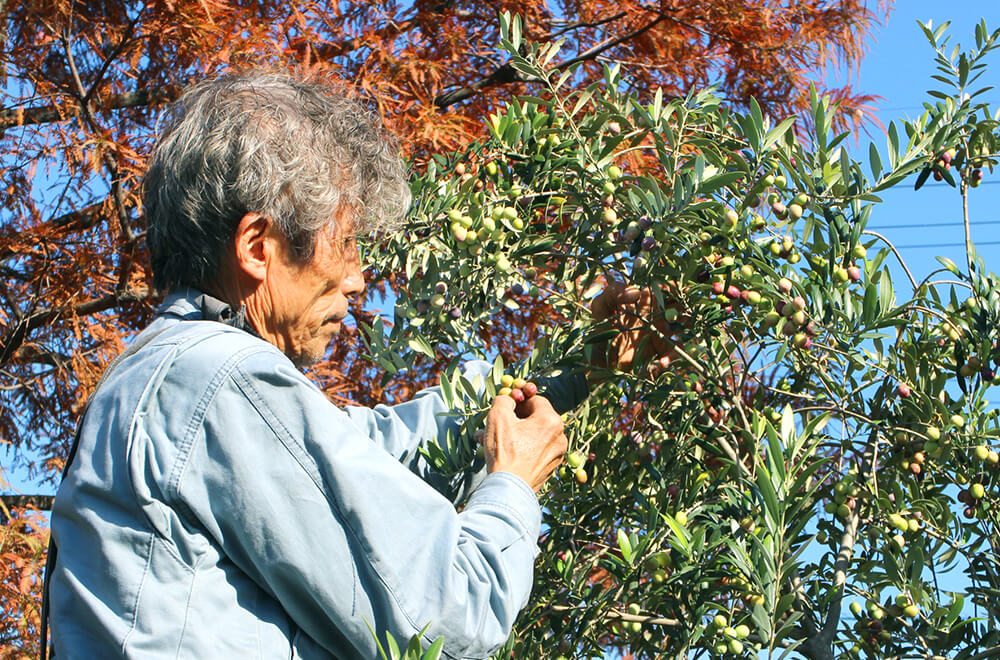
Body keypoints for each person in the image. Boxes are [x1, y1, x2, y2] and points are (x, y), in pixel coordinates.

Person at [47, 70, 642, 659]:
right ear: (257, 247)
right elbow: (447, 622)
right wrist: (512, 486)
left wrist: (584, 364)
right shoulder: (219, 381)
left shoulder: (173, 378)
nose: (358, 280)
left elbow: (385, 453)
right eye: (347, 243)